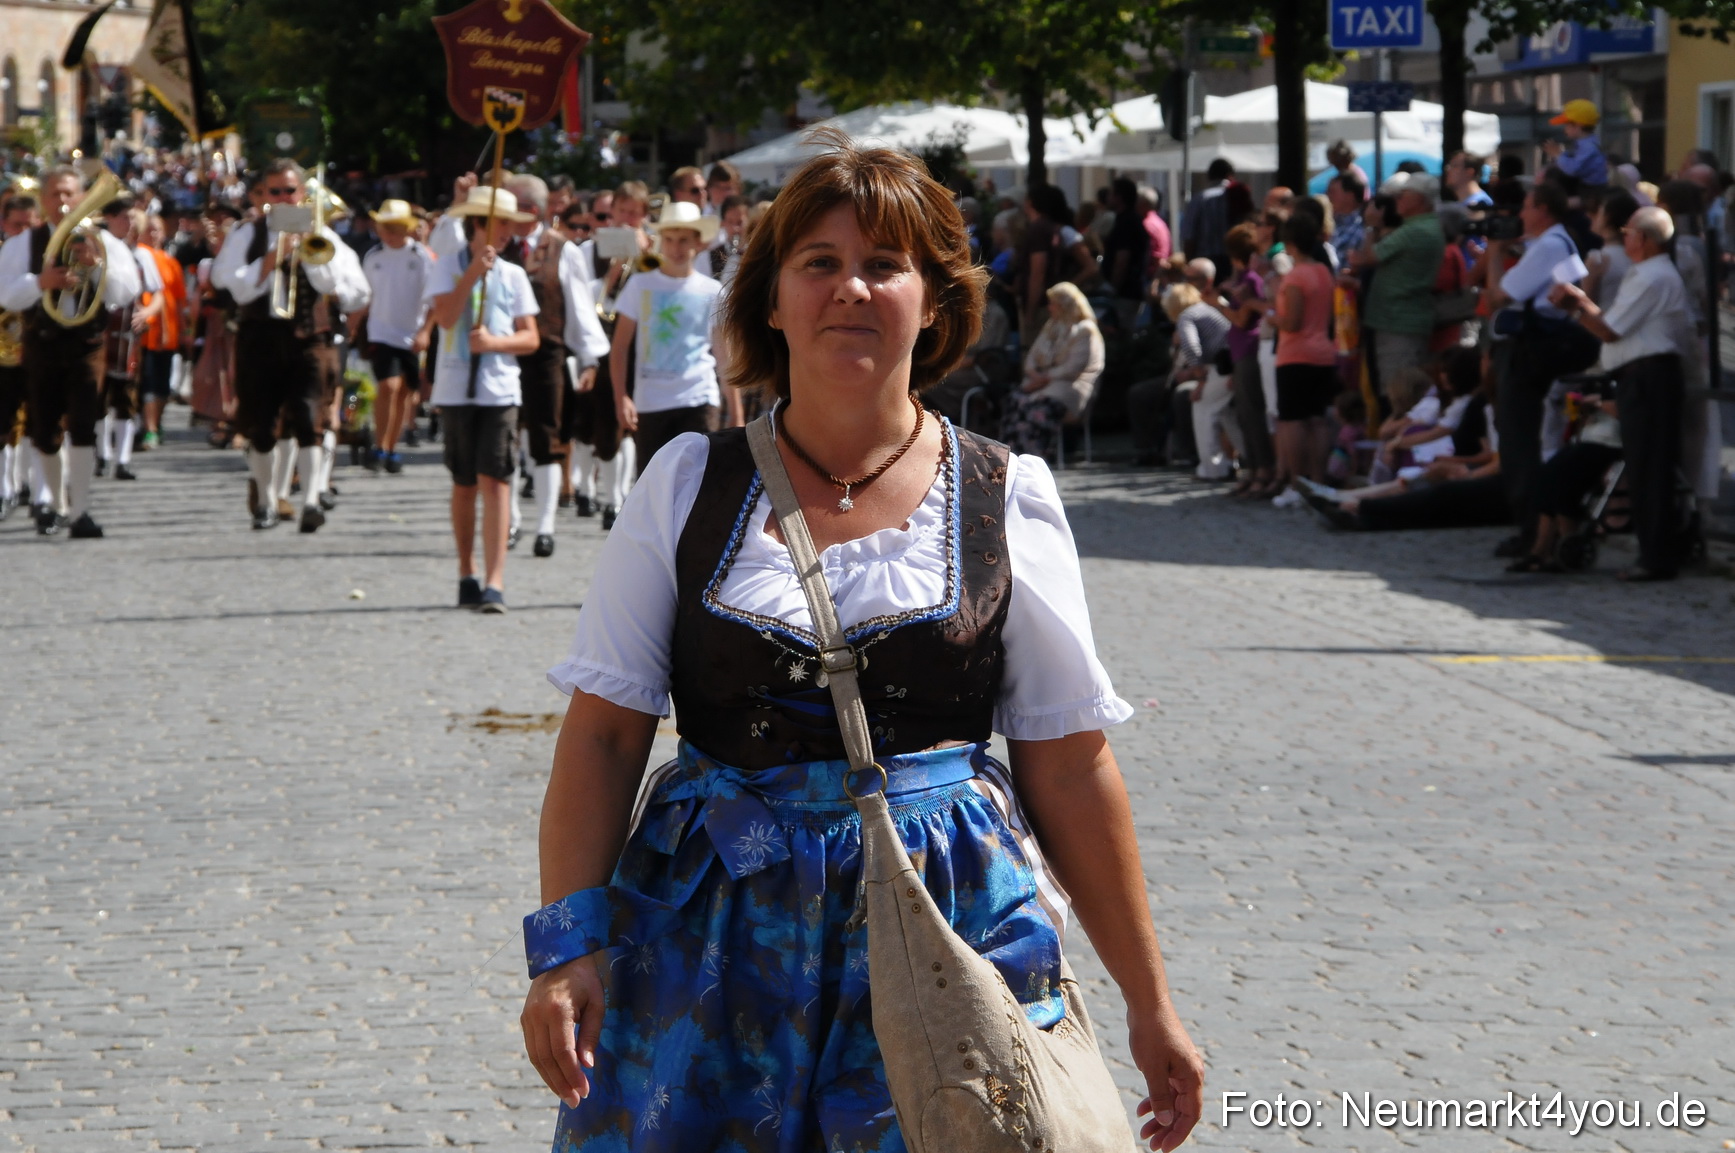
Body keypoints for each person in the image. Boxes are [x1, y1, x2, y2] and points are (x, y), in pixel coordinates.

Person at [519, 129, 1205, 1153]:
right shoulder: (684, 488)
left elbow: (1068, 766)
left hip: (950, 930)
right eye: (820, 264)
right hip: (709, 936)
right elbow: (608, 736)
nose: (851, 289)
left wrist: (1151, 1004)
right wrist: (566, 951)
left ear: (933, 299)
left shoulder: (1005, 495)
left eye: (885, 265)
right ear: (770, 296)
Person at [212, 159, 370, 532]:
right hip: (260, 339)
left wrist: (311, 257)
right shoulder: (246, 234)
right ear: (264, 196)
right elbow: (227, 281)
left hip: (310, 341)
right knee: (262, 426)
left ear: (303, 194)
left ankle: (312, 498)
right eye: (276, 192)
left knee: (309, 417)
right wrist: (270, 261)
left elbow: (355, 292)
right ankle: (267, 501)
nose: (284, 198)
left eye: (291, 191)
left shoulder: (325, 236)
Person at [1550, 206, 1695, 580]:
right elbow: (1613, 327)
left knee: (1650, 468)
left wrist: (1577, 304)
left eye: (1629, 232)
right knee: (1645, 464)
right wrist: (1581, 306)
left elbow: (1610, 329)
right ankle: (1655, 553)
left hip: (1650, 379)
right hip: (1641, 378)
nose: (1624, 237)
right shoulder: (1646, 274)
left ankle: (1656, 558)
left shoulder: (1653, 277)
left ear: (1643, 239)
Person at [0, 165, 143, 538]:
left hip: (87, 345)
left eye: (69, 194)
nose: (62, 202)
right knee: (44, 428)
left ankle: (80, 509)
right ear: (43, 201)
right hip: (41, 343)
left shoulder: (103, 242)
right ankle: (54, 502)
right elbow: (4, 293)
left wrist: (97, 267)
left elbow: (125, 293)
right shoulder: (23, 244)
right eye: (55, 195)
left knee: (83, 424)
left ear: (80, 198)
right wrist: (40, 282)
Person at [425, 185, 541, 612]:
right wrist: (471, 274)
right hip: (456, 389)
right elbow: (445, 318)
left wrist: (494, 342)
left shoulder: (513, 275)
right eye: (500, 222)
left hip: (499, 391)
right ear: (478, 224)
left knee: (497, 480)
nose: (508, 231)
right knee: (464, 483)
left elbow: (531, 337)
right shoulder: (446, 268)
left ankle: (495, 581)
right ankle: (466, 570)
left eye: (511, 223)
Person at [501, 173, 612, 558]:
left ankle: (545, 525)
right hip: (500, 354)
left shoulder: (562, 249)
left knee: (547, 437)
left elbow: (579, 307)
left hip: (547, 355)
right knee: (506, 437)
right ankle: (510, 517)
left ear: (529, 211)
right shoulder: (494, 247)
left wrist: (589, 358)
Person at [1482, 180, 1585, 556]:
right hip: (1537, 345)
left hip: (1531, 349)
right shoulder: (1554, 243)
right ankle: (1535, 526)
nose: (1519, 215)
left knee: (1518, 439)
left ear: (1543, 210)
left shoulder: (1550, 245)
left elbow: (1499, 296)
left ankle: (1531, 528)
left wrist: (1495, 254)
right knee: (1524, 436)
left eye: (1526, 207)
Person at [609, 199, 738, 474]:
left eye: (684, 240)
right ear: (661, 241)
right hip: (650, 400)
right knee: (652, 481)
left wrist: (736, 411)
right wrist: (621, 397)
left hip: (698, 398)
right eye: (670, 239)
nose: (677, 248)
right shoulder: (639, 285)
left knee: (696, 481)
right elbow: (619, 348)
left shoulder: (712, 291)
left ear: (698, 242)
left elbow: (724, 356)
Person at [1351, 173, 1444, 395]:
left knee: (1399, 392)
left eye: (1403, 195)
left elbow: (1364, 258)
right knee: (1399, 390)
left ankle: (1396, 430)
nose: (1397, 200)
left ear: (1420, 199)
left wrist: (1372, 226)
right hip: (1400, 320)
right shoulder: (1424, 227)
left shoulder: (1415, 230)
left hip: (1398, 324)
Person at [359, 199, 433, 475]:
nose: (391, 233)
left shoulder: (421, 257)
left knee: (405, 393)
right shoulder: (373, 257)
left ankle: (391, 447)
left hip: (412, 334)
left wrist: (426, 331)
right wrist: (353, 328)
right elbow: (365, 296)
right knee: (388, 386)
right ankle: (379, 444)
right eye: (386, 227)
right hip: (381, 331)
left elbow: (434, 299)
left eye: (397, 227)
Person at [1271, 213, 1339, 503]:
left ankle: (1297, 485)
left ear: (1291, 243)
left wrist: (1270, 316)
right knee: (1317, 420)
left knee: (1292, 421)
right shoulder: (1324, 272)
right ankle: (1319, 482)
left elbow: (1292, 322)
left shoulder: (1297, 275)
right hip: (1324, 352)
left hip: (1296, 354)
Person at [1002, 280, 1104, 458]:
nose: (1049, 308)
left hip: (1071, 386)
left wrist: (1043, 379)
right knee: (1014, 400)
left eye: (1053, 304)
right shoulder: (1052, 326)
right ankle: (1011, 458)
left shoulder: (1085, 330)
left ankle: (1035, 457)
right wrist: (1033, 374)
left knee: (1036, 409)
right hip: (1041, 383)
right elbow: (1032, 356)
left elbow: (1074, 368)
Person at [136, 213, 187, 454]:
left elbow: (178, 300)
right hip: (144, 331)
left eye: (157, 230)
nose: (153, 234)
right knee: (146, 382)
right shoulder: (138, 256)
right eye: (149, 230)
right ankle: (150, 428)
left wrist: (184, 330)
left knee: (163, 385)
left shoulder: (171, 262)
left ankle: (156, 423)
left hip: (168, 332)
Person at [1180, 159, 1236, 276]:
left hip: (1203, 262)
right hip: (1232, 262)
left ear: (1209, 176)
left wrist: (1188, 264)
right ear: (1230, 176)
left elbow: (1189, 236)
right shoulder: (1236, 197)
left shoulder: (1199, 199)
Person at [1543, 100, 1608, 188]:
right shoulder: (1585, 143)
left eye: (1567, 125)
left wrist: (1558, 155)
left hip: (1594, 191)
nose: (1565, 129)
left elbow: (1573, 169)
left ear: (1578, 125)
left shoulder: (1588, 146)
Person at [1326, 173, 1366, 265]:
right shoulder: (1331, 224)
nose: (1328, 196)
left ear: (1349, 196)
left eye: (1333, 192)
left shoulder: (1361, 228)